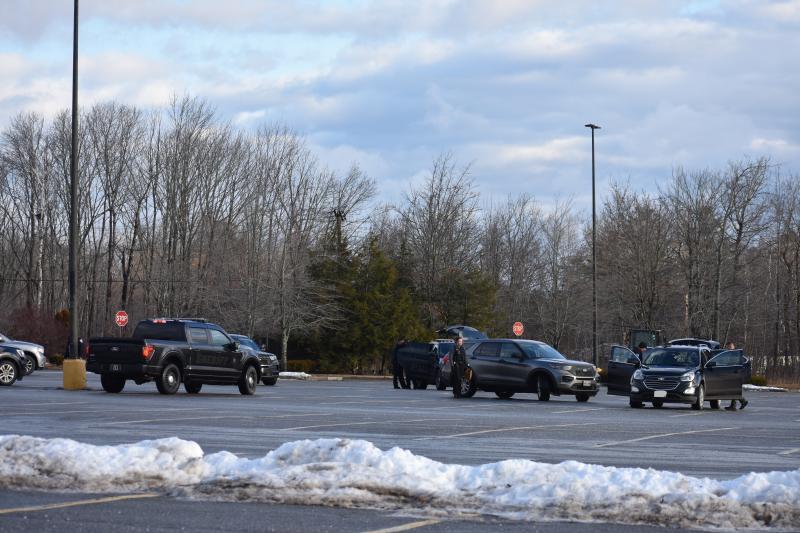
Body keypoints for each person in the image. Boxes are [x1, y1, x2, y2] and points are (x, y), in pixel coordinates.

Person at [724, 341, 748, 410]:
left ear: (733, 346)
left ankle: (742, 401)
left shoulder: (735, 354)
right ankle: (734, 405)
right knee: (733, 390)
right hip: (733, 373)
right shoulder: (731, 354)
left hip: (735, 373)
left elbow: (736, 364)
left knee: (733, 390)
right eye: (728, 347)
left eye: (730, 347)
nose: (728, 348)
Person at [451, 334, 467, 398]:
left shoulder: (462, 348)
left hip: (462, 366)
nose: (460, 342)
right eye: (459, 341)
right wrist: (452, 366)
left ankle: (459, 393)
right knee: (457, 379)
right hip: (456, 365)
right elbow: (451, 357)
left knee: (460, 379)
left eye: (461, 341)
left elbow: (465, 357)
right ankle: (456, 393)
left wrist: (467, 364)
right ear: (457, 342)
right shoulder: (454, 347)